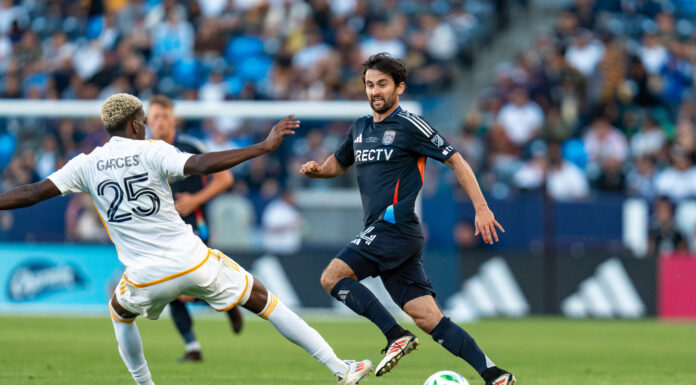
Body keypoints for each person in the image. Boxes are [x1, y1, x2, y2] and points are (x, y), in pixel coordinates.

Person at [0, 94, 372, 385]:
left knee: (119, 312)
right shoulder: (153, 150)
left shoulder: (84, 163)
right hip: (193, 261)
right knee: (264, 300)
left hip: (144, 276)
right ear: (133, 125)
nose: (146, 127)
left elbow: (32, 192)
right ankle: (340, 368)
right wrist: (262, 147)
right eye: (143, 122)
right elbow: (202, 165)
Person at [299, 53, 516, 385]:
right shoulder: (360, 128)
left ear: (399, 87)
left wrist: (481, 207)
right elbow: (338, 163)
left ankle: (394, 336)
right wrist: (318, 170)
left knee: (332, 277)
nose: (375, 91)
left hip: (394, 226)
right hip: (389, 233)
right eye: (370, 85)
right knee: (428, 318)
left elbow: (456, 160)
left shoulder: (411, 125)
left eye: (382, 84)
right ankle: (494, 374)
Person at [147, 94, 241, 362]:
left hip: (194, 223)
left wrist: (194, 200)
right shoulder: (144, 151)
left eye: (165, 116)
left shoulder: (190, 145)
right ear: (148, 121)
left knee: (186, 288)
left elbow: (225, 179)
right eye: (155, 117)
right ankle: (193, 349)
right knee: (170, 288)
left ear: (174, 118)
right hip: (164, 229)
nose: (161, 122)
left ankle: (230, 300)